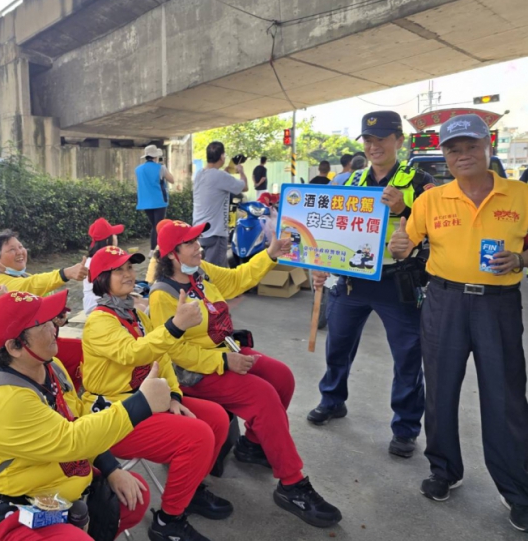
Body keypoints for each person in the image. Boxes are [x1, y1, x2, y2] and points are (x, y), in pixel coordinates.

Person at [149, 221, 342, 528]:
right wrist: (224, 362)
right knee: (261, 396)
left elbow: (238, 279)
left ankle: (252, 446)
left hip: (224, 351)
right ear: (172, 254)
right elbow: (172, 352)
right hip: (194, 373)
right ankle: (292, 485)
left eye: (197, 240)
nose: (199, 246)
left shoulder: (202, 271)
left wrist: (270, 253)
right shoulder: (163, 295)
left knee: (281, 377)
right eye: (190, 243)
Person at [389, 114, 528, 531]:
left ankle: (518, 490)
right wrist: (399, 243)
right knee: (441, 389)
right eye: (453, 149)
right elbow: (405, 241)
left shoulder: (521, 195)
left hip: (498, 306)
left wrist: (521, 259)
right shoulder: (432, 199)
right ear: (445, 156)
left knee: (505, 398)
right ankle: (443, 470)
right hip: (443, 302)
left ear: (489, 146)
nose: (462, 155)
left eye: (470, 146)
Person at [0, 289, 168, 541]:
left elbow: (78, 419)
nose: (55, 326)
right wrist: (142, 403)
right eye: (43, 323)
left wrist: (112, 469)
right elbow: (72, 439)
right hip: (12, 513)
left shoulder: (51, 367)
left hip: (60, 494)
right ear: (14, 346)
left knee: (135, 494)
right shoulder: (6, 399)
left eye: (53, 319)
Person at [83, 245, 233, 541]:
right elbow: (134, 353)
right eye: (119, 270)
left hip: (150, 400)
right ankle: (169, 522)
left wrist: (175, 396)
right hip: (115, 413)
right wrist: (176, 326)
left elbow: (160, 357)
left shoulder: (135, 313)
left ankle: (190, 489)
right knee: (198, 436)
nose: (128, 274)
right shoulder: (99, 321)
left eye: (130, 267)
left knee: (216, 418)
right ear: (101, 279)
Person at [308, 111, 435, 460]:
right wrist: (320, 266)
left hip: (398, 283)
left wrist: (405, 208)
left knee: (408, 358)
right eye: (368, 139)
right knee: (338, 346)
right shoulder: (351, 182)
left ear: (399, 140)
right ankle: (332, 400)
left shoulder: (420, 179)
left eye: (381, 138)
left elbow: (438, 227)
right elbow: (332, 229)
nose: (373, 145)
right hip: (352, 282)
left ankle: (406, 428)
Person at [0, 229, 88, 306]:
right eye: (12, 249)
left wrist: (58, 317)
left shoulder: (25, 276)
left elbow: (42, 292)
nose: (19, 252)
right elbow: (30, 285)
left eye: (21, 247)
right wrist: (66, 273)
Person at [193, 141, 248, 268]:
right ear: (222, 156)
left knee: (202, 270)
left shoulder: (199, 174)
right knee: (217, 274)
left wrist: (226, 172)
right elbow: (244, 187)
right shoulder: (220, 176)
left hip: (199, 232)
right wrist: (241, 172)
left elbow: (215, 183)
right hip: (215, 234)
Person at [136, 144, 175, 255]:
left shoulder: (138, 170)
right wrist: (163, 167)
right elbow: (172, 180)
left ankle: (154, 249)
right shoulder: (160, 168)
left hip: (144, 202)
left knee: (154, 226)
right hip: (159, 201)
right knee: (159, 226)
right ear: (155, 157)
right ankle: (155, 250)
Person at [83, 217, 125, 314]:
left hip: (94, 304)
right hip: (99, 306)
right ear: (107, 241)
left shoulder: (91, 259)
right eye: (114, 235)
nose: (116, 237)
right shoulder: (101, 261)